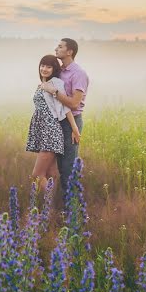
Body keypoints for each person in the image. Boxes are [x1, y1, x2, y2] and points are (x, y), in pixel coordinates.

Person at [26, 54, 81, 192]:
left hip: (50, 131)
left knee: (36, 175)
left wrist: (74, 128)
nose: (44, 69)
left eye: (48, 66)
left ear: (54, 69)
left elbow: (65, 107)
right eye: (42, 65)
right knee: (49, 174)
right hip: (43, 130)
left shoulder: (55, 83)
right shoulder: (42, 85)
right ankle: (52, 208)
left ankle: (49, 206)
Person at [40, 38, 89, 191]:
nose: (56, 49)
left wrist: (54, 92)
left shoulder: (78, 73)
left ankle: (72, 210)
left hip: (71, 122)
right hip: (56, 123)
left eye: (60, 47)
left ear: (70, 52)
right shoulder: (59, 71)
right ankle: (58, 205)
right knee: (56, 169)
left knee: (68, 168)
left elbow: (74, 103)